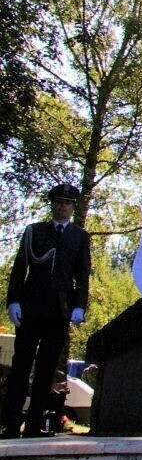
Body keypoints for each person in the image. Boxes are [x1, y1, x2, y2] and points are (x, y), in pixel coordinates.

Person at [2, 183, 90, 438]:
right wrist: (13, 301)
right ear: (53, 205)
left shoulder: (79, 237)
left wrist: (79, 306)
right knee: (21, 366)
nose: (62, 207)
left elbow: (82, 274)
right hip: (30, 307)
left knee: (46, 370)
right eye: (58, 202)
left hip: (58, 311)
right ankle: (10, 425)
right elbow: (20, 268)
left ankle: (34, 426)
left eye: (67, 203)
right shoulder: (35, 232)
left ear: (73, 207)